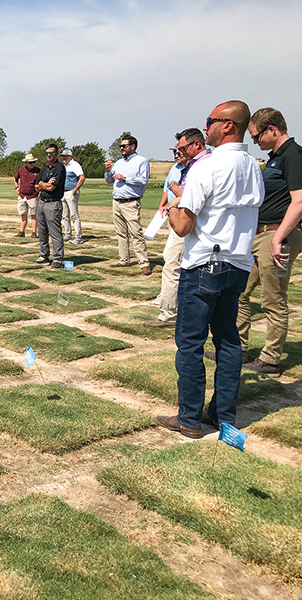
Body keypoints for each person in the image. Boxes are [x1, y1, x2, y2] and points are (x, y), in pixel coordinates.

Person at [157, 101, 264, 438]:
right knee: (229, 340)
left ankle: (188, 418)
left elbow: (183, 226)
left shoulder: (208, 166)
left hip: (204, 262)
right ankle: (223, 415)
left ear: (228, 125)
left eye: (210, 121)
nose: (207, 128)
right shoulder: (254, 167)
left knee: (190, 342)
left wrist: (174, 206)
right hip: (238, 263)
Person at [236, 108, 302, 376]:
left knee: (272, 299)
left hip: (278, 235)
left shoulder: (294, 156)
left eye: (256, 136)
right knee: (239, 291)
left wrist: (277, 239)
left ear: (272, 129)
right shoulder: (275, 158)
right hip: (260, 233)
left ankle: (271, 359)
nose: (255, 142)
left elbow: (299, 201)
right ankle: (237, 348)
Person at [145, 129, 211, 328]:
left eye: (182, 148)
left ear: (197, 144)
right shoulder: (190, 165)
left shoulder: (201, 166)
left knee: (173, 265)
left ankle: (169, 313)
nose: (179, 152)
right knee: (171, 260)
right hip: (182, 220)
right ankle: (168, 303)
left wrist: (175, 194)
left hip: (187, 222)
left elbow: (191, 197)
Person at [104, 135, 152, 275]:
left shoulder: (141, 161)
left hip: (131, 202)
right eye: (121, 146)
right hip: (117, 201)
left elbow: (143, 180)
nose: (121, 148)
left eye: (124, 146)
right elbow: (108, 181)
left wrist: (125, 178)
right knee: (120, 233)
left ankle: (144, 263)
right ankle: (123, 259)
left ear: (133, 146)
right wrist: (108, 171)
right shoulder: (118, 163)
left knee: (136, 233)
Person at [34, 144, 67, 269]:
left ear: (56, 154)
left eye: (51, 153)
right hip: (42, 202)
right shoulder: (44, 169)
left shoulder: (59, 168)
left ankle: (58, 259)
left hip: (53, 203)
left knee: (55, 233)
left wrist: (43, 185)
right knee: (42, 232)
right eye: (47, 153)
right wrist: (44, 183)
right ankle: (44, 256)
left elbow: (51, 187)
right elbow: (36, 186)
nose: (49, 155)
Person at [60, 148, 86, 244]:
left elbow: (82, 178)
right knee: (64, 215)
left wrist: (75, 190)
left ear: (70, 157)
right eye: (62, 156)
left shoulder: (75, 165)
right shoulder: (64, 166)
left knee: (74, 215)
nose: (63, 158)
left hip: (71, 192)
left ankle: (78, 236)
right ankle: (68, 234)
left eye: (65, 156)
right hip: (63, 192)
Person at [14, 153, 40, 238]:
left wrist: (40, 192)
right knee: (23, 214)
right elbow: (15, 179)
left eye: (33, 162)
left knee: (33, 215)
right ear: (26, 163)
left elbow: (42, 182)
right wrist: (16, 187)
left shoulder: (38, 171)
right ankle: (22, 231)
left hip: (33, 196)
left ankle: (34, 233)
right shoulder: (21, 170)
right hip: (22, 196)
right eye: (30, 162)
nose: (32, 164)